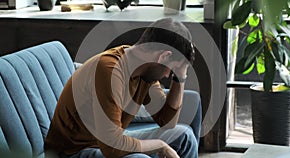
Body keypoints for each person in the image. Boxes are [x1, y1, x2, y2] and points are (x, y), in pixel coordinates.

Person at [45, 18, 198, 158]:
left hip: (105, 141)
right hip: (73, 152)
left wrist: (180, 77)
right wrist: (160, 145)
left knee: (184, 137)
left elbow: (167, 122)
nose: (166, 76)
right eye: (171, 71)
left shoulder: (145, 72)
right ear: (163, 56)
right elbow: (112, 148)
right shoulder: (110, 70)